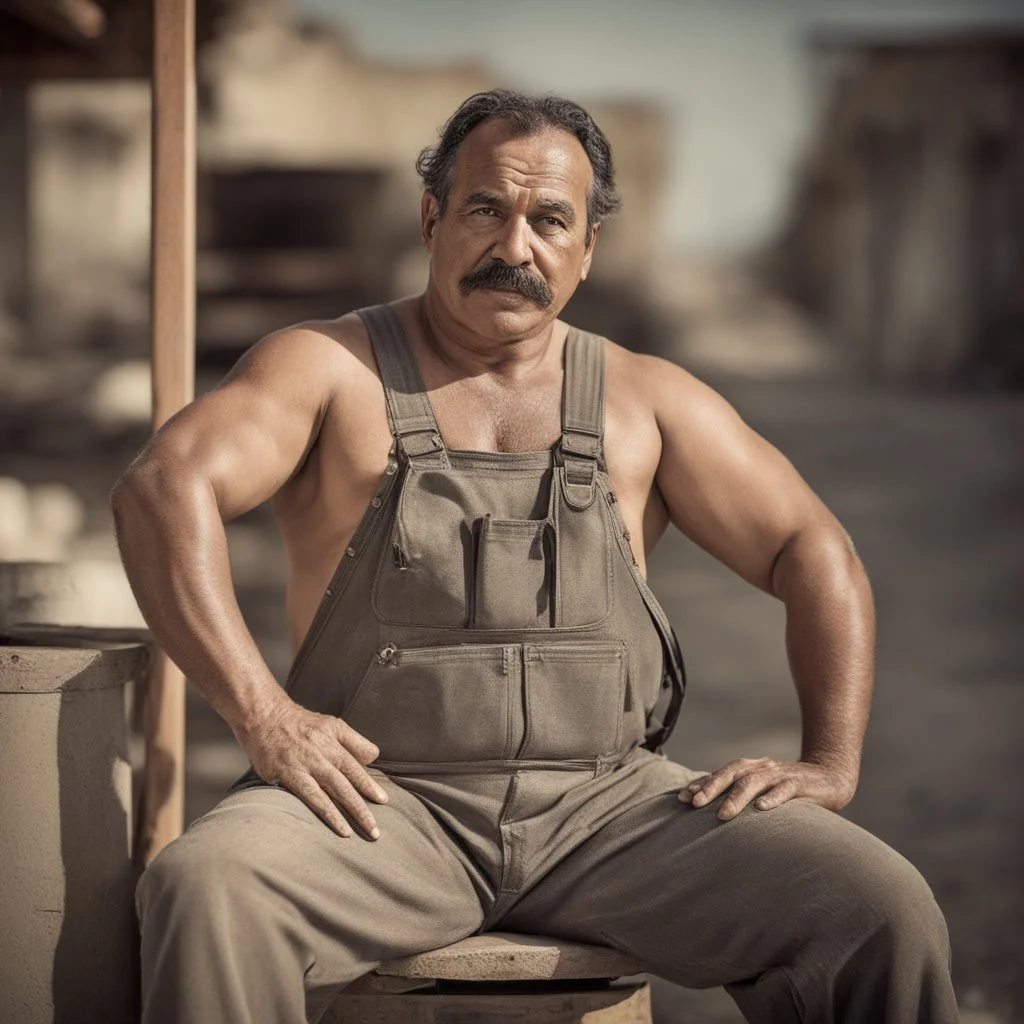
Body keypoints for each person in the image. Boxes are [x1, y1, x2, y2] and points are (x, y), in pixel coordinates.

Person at [112, 89, 957, 1023]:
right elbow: (162, 489)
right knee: (206, 886)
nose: (515, 248)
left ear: (587, 250)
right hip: (377, 809)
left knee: (877, 908)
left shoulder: (647, 399)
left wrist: (829, 762)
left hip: (612, 815)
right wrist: (264, 716)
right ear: (431, 216)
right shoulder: (326, 368)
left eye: (550, 220)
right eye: (486, 209)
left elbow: (814, 546)